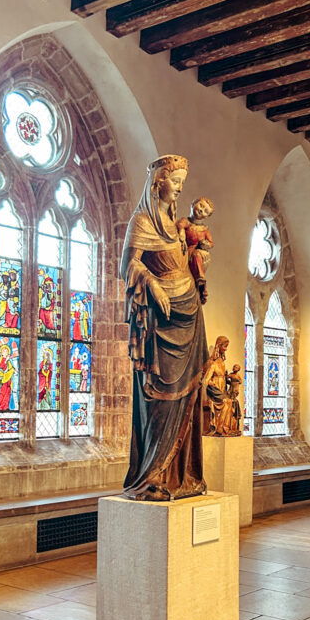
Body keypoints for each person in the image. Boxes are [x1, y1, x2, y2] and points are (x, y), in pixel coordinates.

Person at [121, 154, 210, 500]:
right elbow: (127, 264)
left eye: (182, 184)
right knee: (159, 399)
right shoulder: (142, 221)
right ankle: (152, 474)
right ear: (158, 181)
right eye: (175, 182)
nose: (179, 189)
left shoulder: (175, 225)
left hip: (189, 316)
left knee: (188, 396)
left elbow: (184, 259)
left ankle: (182, 475)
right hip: (161, 324)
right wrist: (152, 284)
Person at [176, 197, 214, 303]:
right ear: (193, 203)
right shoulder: (186, 221)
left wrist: (205, 244)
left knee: (197, 255)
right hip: (183, 251)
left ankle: (201, 281)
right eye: (201, 206)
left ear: (207, 216)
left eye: (206, 211)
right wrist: (182, 232)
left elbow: (211, 243)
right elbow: (180, 225)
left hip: (195, 253)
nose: (201, 210)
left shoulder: (204, 230)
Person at [202, 336, 240, 436]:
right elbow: (206, 380)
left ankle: (226, 428)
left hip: (222, 391)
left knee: (233, 402)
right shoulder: (213, 363)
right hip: (214, 393)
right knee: (227, 402)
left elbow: (227, 379)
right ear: (219, 346)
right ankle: (221, 428)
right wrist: (211, 383)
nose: (226, 349)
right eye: (225, 346)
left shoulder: (222, 363)